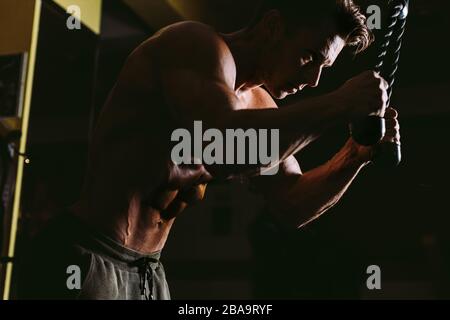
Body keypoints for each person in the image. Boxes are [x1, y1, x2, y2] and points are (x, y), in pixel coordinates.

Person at [17, 0, 400, 300]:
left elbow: (291, 203)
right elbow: (224, 146)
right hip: (88, 255)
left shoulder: (260, 106)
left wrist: (354, 155)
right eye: (309, 56)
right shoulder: (194, 46)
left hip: (148, 271)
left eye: (325, 67)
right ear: (272, 27)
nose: (314, 79)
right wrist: (338, 105)